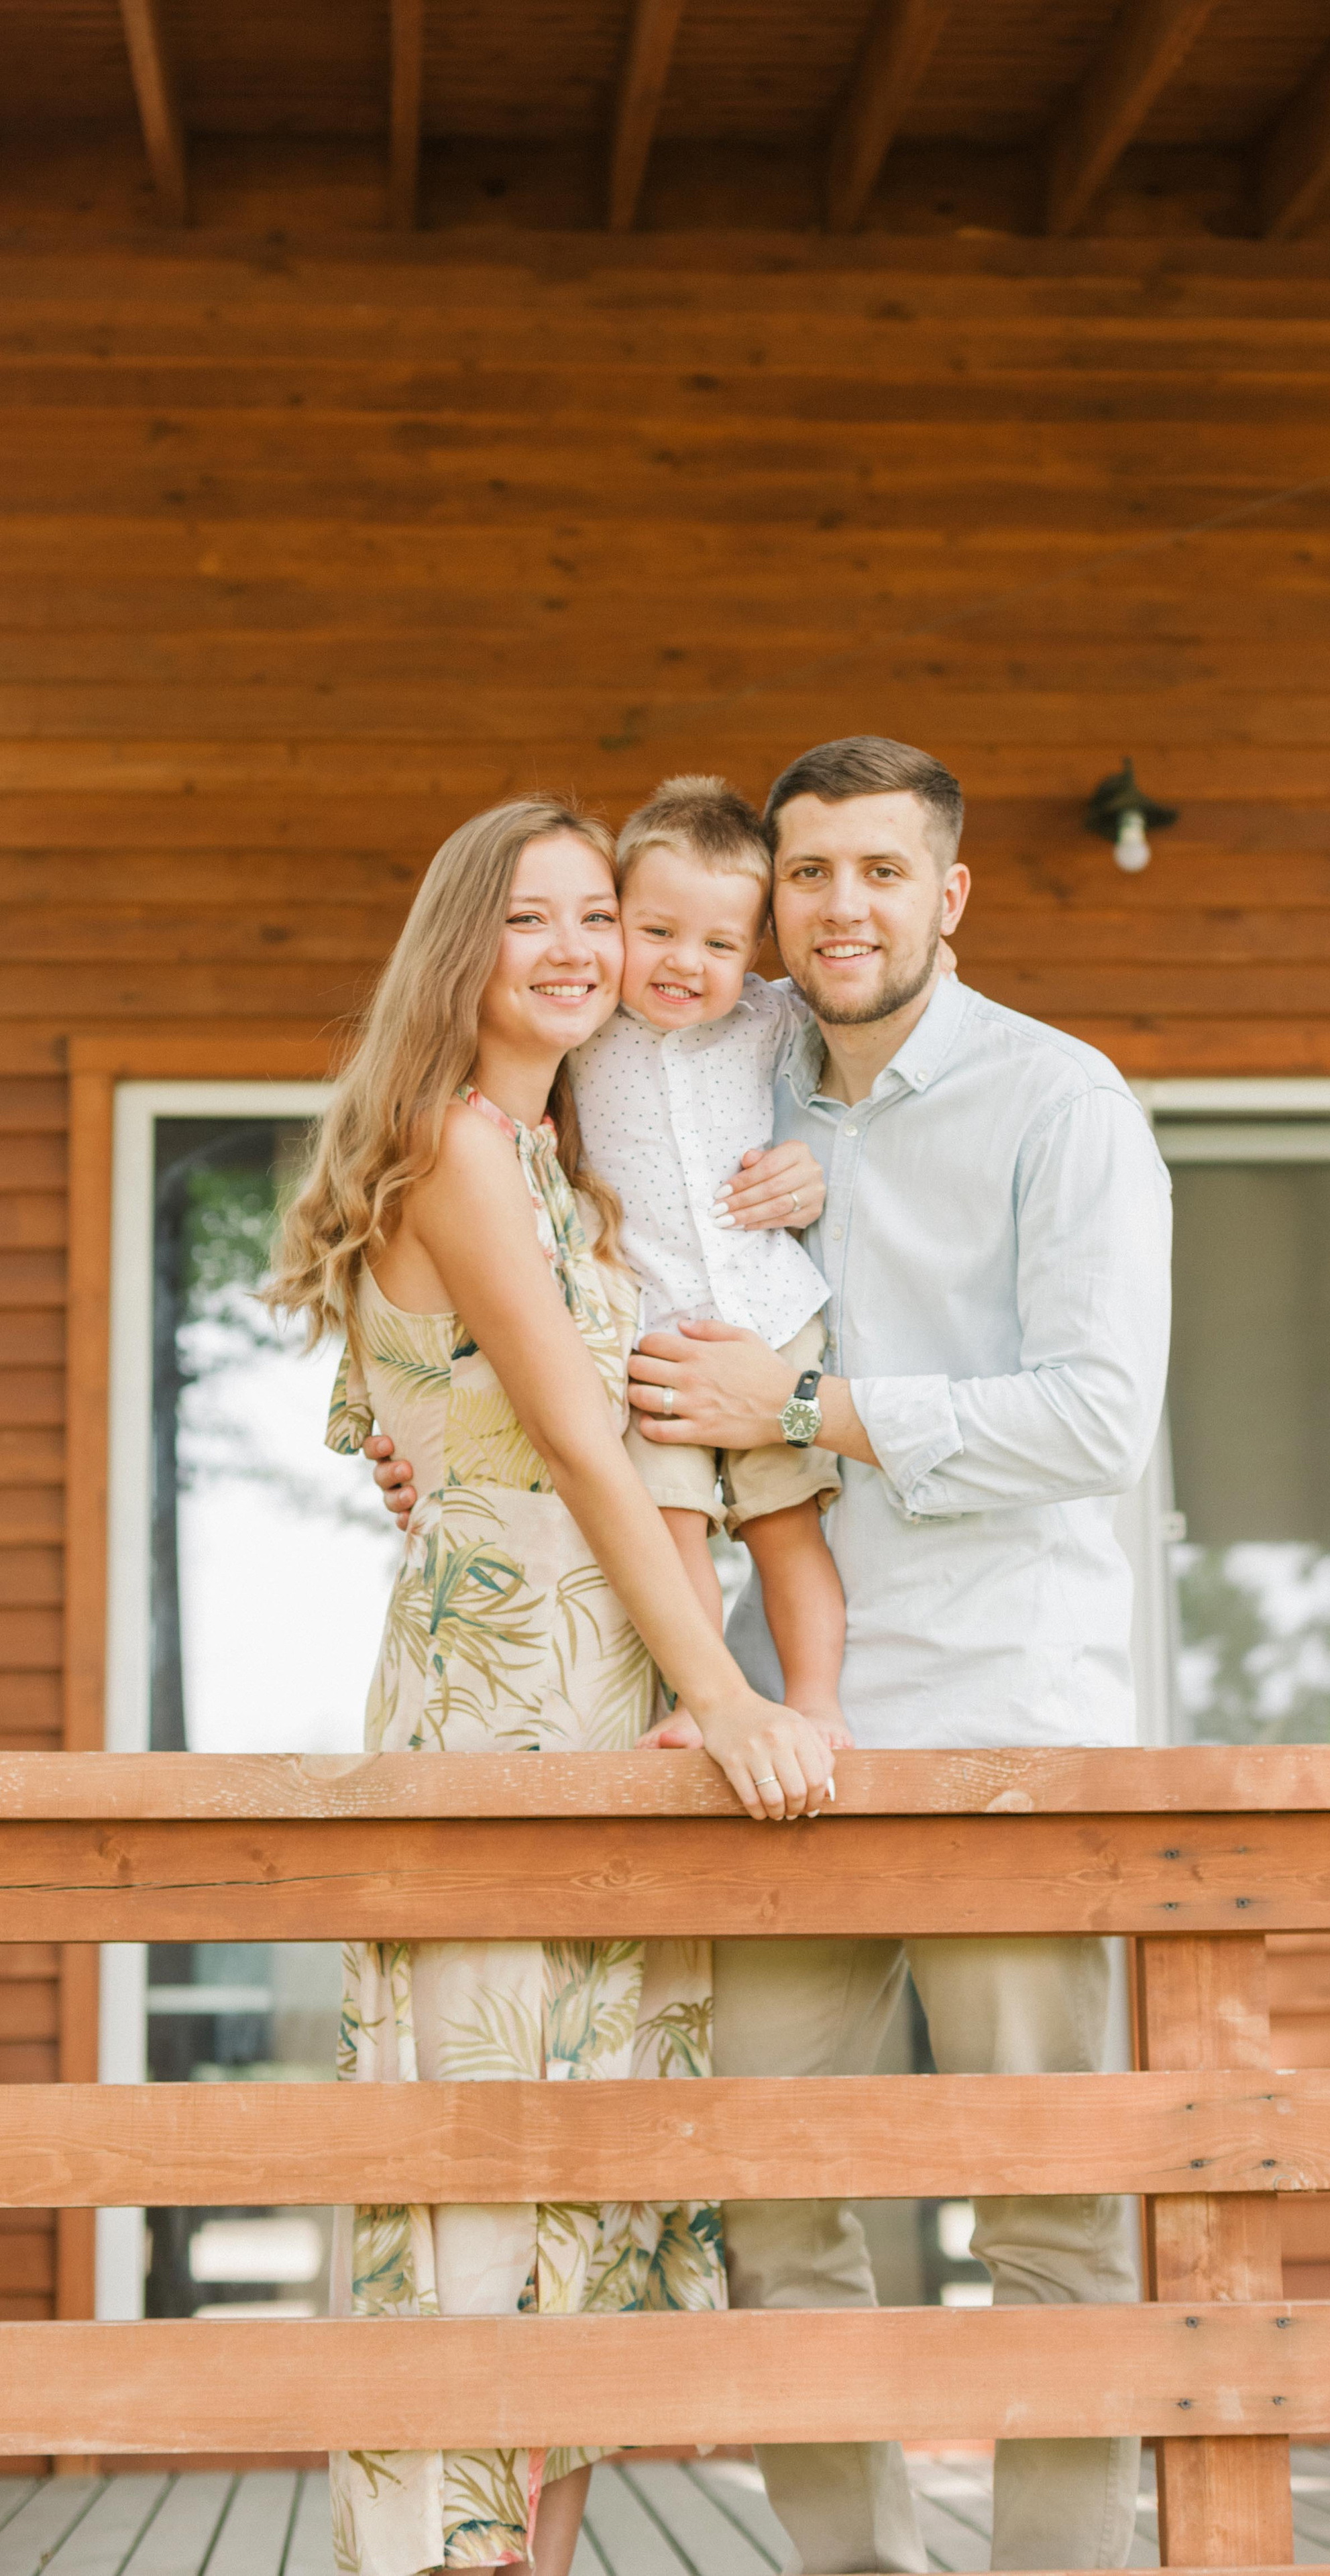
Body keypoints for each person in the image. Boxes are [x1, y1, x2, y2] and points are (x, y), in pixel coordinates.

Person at [368, 740, 1172, 2572]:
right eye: (810, 879)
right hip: (758, 1751)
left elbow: (1100, 1421)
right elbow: (525, 1305)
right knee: (780, 2206)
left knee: (1045, 2218)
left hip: (991, 1722)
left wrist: (804, 1399)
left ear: (951, 892)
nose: (838, 910)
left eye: (880, 874)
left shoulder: (1058, 1098)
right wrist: (406, 1431)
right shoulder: (718, 1063)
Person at [268, 794, 834, 2576]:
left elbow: (420, 1414)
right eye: (538, 918)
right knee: (489, 2151)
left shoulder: (567, 1171)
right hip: (514, 1690)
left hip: (615, 1681)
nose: (586, 947)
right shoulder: (458, 1142)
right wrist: (732, 1694)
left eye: (606, 914)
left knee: (595, 2163)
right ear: (466, 945)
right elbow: (582, 1448)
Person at [570, 774, 846, 1739]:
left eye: (721, 944)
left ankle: (816, 1703)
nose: (688, 963)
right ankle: (703, 1697)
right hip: (655, 1335)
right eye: (659, 932)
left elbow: (876, 1013)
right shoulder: (580, 1033)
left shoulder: (773, 1019)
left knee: (787, 1523)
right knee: (668, 1521)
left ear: (756, 950)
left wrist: (812, 1169)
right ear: (616, 922)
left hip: (775, 1322)